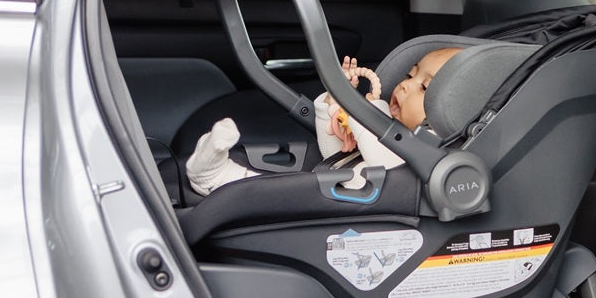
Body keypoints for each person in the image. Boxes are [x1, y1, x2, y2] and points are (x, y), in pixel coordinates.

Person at [186, 46, 461, 196]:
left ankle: (214, 177)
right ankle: (215, 174)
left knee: (272, 197)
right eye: (410, 76)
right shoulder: (387, 122)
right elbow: (334, 155)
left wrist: (360, 113)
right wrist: (336, 100)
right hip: (329, 187)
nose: (404, 87)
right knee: (272, 185)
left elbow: (385, 166)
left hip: (345, 211)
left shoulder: (426, 154)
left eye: (424, 88)